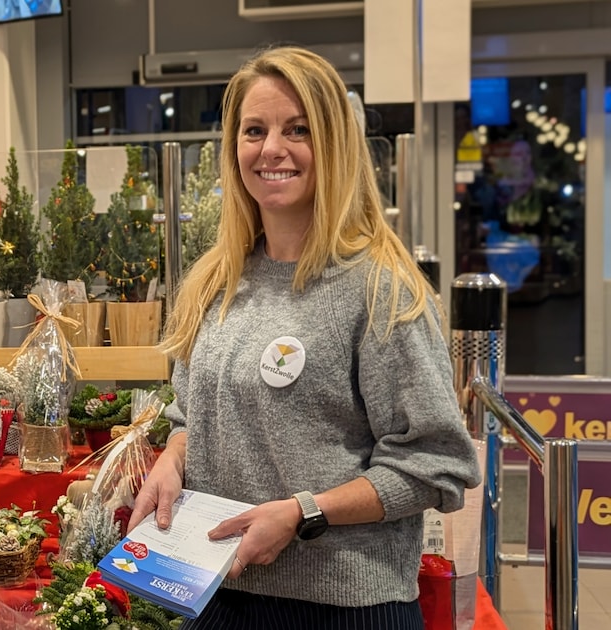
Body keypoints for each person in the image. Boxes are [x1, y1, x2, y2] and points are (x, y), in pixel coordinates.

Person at [129, 46, 481, 629]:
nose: (272, 149)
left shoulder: (378, 289)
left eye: (298, 130)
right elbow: (192, 418)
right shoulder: (216, 280)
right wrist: (171, 458)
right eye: (254, 130)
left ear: (335, 145)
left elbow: (436, 463)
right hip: (217, 590)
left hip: (343, 606)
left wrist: (304, 513)